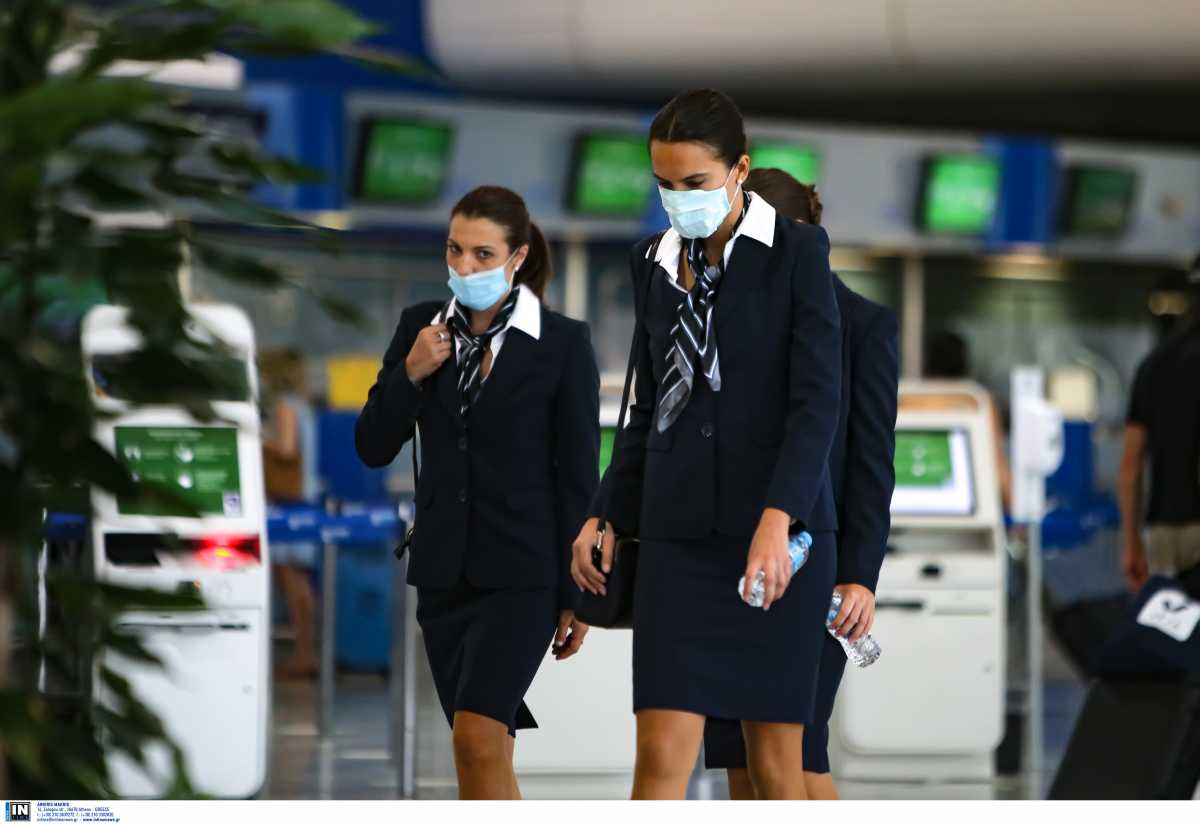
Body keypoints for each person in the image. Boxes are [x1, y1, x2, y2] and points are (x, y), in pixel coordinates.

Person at [571, 89, 843, 801]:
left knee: (779, 768)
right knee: (660, 759)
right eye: (664, 184)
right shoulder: (653, 262)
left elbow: (817, 403)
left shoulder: (797, 254)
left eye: (694, 182)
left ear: (740, 170)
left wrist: (779, 518)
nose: (678, 198)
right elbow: (650, 404)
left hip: (771, 546)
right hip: (677, 542)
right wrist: (606, 511)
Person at [354, 186, 600, 800]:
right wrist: (409, 374)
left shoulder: (563, 344)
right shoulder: (420, 328)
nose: (464, 268)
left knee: (477, 738)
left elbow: (577, 477)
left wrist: (579, 593)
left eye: (483, 255)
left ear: (517, 258)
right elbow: (372, 445)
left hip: (524, 574)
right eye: (455, 251)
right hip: (443, 573)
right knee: (483, 753)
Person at [701, 169, 898, 800]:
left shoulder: (861, 325)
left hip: (817, 561)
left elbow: (871, 463)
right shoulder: (721, 317)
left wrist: (860, 574)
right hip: (730, 561)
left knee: (800, 754)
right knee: (737, 755)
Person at [1119, 252, 1200, 591]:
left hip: (1163, 534)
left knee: (1173, 639)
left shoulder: (1155, 362)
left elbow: (1131, 463)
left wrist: (1131, 543)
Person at [904, 330, 1013, 512]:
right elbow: (998, 465)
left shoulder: (908, 400)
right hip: (970, 508)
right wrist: (1014, 516)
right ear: (965, 363)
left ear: (926, 361)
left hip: (910, 503)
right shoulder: (977, 402)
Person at [260, 348, 320, 680]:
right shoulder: (304, 406)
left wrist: (255, 437)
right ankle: (306, 650)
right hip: (304, 499)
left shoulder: (284, 406)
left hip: (290, 503)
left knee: (294, 583)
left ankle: (303, 653)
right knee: (301, 583)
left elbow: (285, 448)